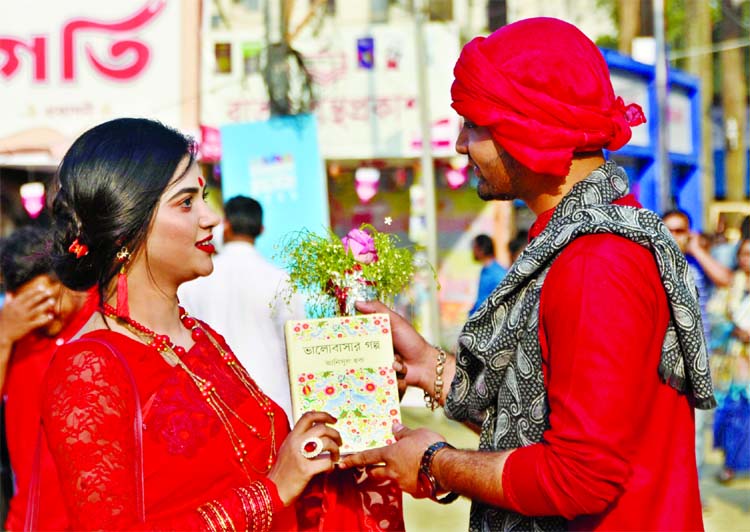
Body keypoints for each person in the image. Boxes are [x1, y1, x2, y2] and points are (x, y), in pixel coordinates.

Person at [341, 17, 714, 531]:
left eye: (474, 124)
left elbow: (577, 477)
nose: (460, 144)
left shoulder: (594, 262)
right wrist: (429, 364)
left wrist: (435, 463)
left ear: (527, 129)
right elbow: (539, 420)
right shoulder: (574, 237)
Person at [37, 117, 402, 530]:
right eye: (186, 202)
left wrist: (353, 407)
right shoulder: (88, 371)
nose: (211, 218)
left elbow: (269, 464)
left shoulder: (200, 337)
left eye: (204, 197)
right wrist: (271, 493)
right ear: (127, 228)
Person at [0, 225, 97, 530]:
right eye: (32, 307)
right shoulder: (14, 334)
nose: (46, 316)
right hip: (34, 520)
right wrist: (4, 337)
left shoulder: (105, 313)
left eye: (48, 302)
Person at [179, 195, 304, 421]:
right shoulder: (280, 280)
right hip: (272, 392)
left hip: (214, 395)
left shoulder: (195, 279)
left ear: (225, 225)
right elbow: (295, 343)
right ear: (261, 229)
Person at [711, 238, 750, 484]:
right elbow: (715, 317)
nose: (747, 259)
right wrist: (731, 327)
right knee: (732, 412)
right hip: (734, 362)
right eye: (744, 253)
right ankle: (731, 464)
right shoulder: (730, 284)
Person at [468, 234, 507, 315]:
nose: (472, 250)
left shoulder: (497, 273)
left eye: (474, 247)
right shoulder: (485, 270)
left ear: (481, 249)